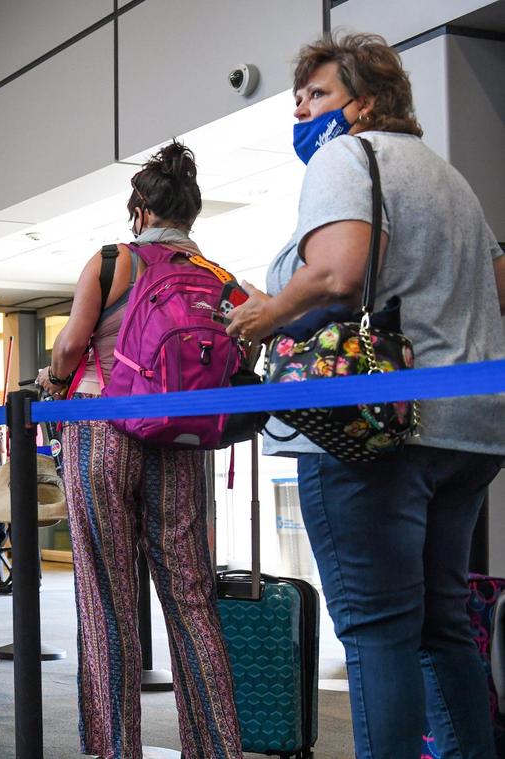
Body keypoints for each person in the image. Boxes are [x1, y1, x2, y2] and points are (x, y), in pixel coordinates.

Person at [225, 32, 505, 759]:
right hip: (469, 428)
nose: (303, 112)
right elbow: (498, 285)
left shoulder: (347, 155)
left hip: (377, 427)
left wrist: (267, 313)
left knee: (377, 627)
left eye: (317, 96)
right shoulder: (450, 179)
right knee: (441, 621)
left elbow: (341, 272)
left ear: (368, 103)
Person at [37, 141, 242, 758]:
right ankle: (217, 749)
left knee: (106, 597)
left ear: (140, 209)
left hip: (102, 430)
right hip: (180, 438)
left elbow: (72, 348)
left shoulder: (112, 261)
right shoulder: (218, 278)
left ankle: (114, 749)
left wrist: (51, 378)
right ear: (192, 212)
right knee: (190, 596)